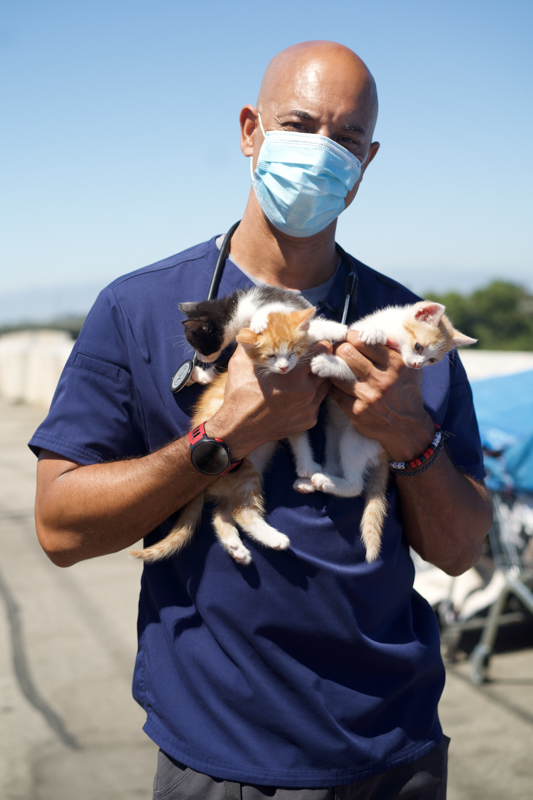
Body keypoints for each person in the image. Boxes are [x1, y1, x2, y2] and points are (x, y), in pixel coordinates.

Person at [31, 41, 492, 799]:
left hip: (394, 747)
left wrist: (409, 434)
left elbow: (460, 550)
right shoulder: (139, 307)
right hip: (220, 754)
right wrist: (222, 437)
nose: (319, 152)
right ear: (250, 131)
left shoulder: (405, 329)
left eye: (343, 140)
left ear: (367, 162)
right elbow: (60, 529)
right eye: (297, 123)